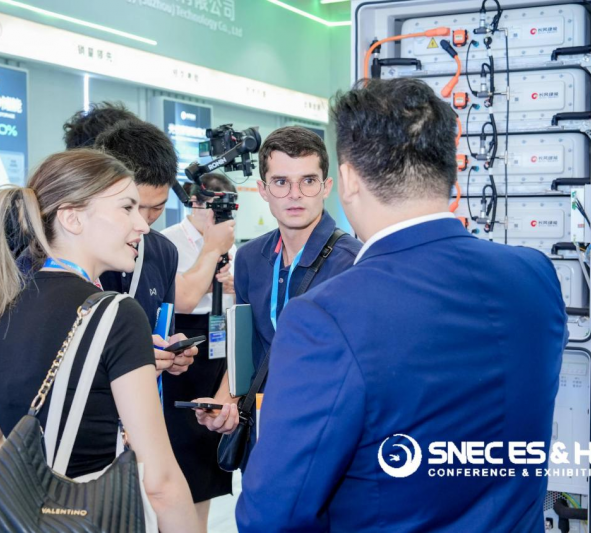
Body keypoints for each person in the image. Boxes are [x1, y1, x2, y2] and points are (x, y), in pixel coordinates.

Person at [235, 78, 568, 532]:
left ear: (346, 180)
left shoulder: (324, 317)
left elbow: (272, 515)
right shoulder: (535, 275)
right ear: (449, 169)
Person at [0, 149, 200, 532]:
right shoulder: (117, 313)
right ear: (71, 217)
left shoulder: (10, 303)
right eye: (127, 208)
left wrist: (43, 504)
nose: (142, 225)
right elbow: (161, 483)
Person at [194, 127, 362, 456]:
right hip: (261, 433)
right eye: (281, 182)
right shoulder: (249, 258)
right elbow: (247, 348)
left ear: (326, 187)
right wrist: (225, 400)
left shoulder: (354, 263)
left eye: (308, 181)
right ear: (263, 190)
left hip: (329, 437)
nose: (295, 194)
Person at [64, 103, 213, 375]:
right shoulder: (71, 252)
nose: (143, 222)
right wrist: (132, 357)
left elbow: (161, 331)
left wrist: (169, 352)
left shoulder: (164, 252)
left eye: (157, 208)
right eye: (131, 207)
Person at [159, 173, 238, 529]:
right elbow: (179, 298)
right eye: (214, 207)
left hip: (218, 347)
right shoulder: (167, 242)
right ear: (194, 203)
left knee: (207, 453)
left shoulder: (234, 248)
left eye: (228, 209)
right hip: (180, 350)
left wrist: (236, 283)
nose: (220, 217)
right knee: (178, 452)